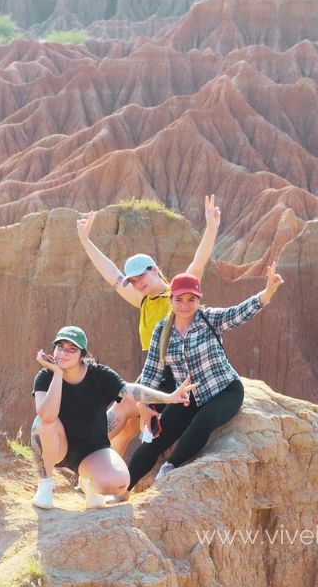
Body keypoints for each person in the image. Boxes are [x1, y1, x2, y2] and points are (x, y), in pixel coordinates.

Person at [75, 195, 220, 456]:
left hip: (174, 371)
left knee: (120, 409)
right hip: (154, 371)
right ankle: (107, 479)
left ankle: (84, 457)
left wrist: (211, 229)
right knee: (128, 426)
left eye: (141, 276)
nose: (137, 283)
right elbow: (111, 274)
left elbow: (198, 263)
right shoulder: (143, 301)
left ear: (154, 269)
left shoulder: (176, 295)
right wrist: (86, 241)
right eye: (133, 280)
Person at [125, 265, 284, 485]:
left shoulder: (209, 319)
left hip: (224, 390)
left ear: (199, 300)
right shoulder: (161, 331)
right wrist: (144, 405)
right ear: (171, 300)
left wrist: (266, 294)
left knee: (203, 421)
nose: (185, 305)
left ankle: (169, 467)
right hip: (187, 396)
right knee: (155, 441)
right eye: (179, 299)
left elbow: (238, 313)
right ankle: (122, 487)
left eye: (191, 299)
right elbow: (151, 372)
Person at [31, 325, 193, 510]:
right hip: (58, 445)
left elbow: (131, 390)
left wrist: (169, 398)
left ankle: (89, 483)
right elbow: (47, 415)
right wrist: (58, 374)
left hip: (90, 451)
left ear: (82, 355)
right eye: (60, 347)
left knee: (119, 483)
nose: (64, 354)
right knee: (43, 424)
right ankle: (45, 485)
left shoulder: (99, 375)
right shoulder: (45, 376)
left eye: (72, 349)